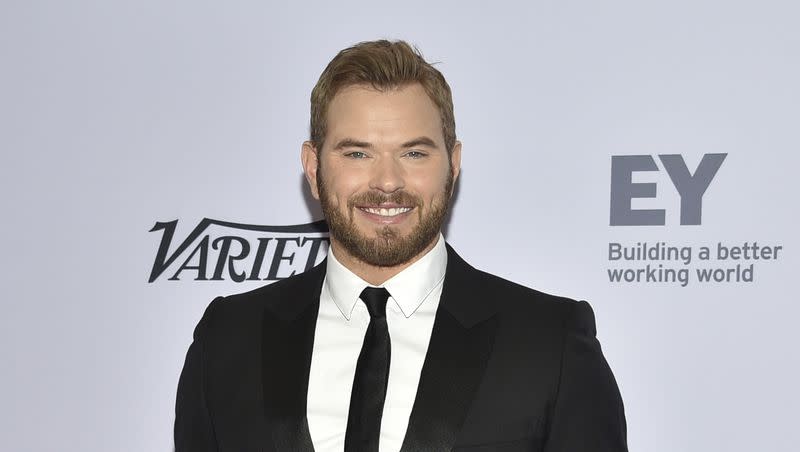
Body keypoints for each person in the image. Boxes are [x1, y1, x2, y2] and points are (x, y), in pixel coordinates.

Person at [175, 39, 627, 452]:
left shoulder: (550, 344)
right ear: (313, 167)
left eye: (414, 153)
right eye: (357, 153)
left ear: (454, 163)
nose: (388, 181)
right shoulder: (228, 339)